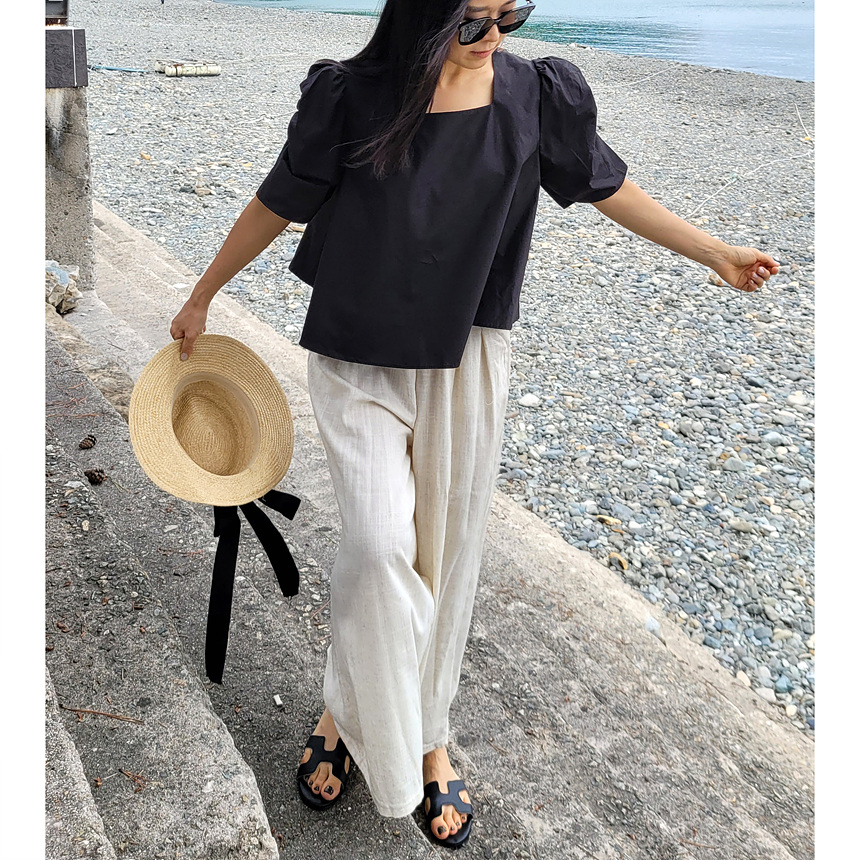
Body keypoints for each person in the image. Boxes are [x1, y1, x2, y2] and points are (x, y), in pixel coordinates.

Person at [170, 0, 778, 848]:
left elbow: (605, 184)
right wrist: (203, 293)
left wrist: (714, 251)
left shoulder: (538, 95)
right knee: (378, 549)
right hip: (358, 355)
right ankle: (363, 713)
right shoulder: (350, 95)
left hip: (470, 351)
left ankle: (419, 731)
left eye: (510, 15)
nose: (494, 37)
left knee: (445, 559)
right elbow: (279, 199)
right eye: (472, 22)